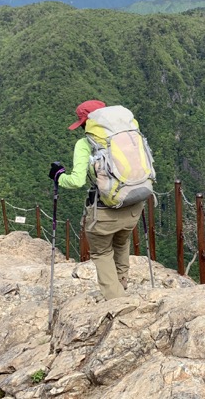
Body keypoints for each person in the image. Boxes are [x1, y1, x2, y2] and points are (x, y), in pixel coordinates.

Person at [48, 100, 145, 300]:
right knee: (121, 243)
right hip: (135, 203)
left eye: (82, 123)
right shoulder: (130, 135)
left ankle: (117, 300)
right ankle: (122, 284)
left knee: (102, 253)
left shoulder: (85, 144)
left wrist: (59, 176)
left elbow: (76, 181)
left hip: (106, 211)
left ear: (87, 123)